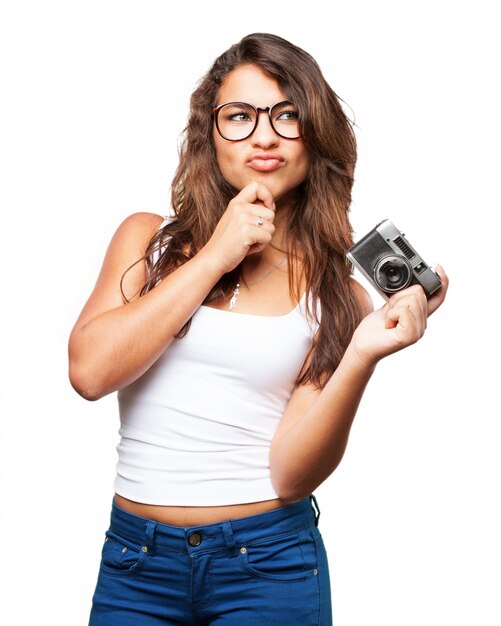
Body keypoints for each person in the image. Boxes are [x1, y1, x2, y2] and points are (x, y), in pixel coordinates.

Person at [68, 32, 448, 626]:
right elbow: (90, 373)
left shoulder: (336, 292)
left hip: (267, 567)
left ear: (315, 132)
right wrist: (215, 254)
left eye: (286, 114)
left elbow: (292, 474)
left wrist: (363, 354)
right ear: (209, 134)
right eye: (239, 116)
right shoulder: (148, 240)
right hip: (135, 567)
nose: (264, 135)